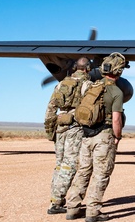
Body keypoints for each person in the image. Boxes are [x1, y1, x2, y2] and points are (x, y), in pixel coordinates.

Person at [65, 53, 127, 222]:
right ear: (119, 71)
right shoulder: (116, 92)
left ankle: (72, 208)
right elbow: (116, 119)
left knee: (83, 171)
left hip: (87, 135)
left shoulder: (89, 87)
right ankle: (93, 212)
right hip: (104, 137)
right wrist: (117, 136)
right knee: (101, 174)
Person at [44, 57, 92, 214]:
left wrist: (50, 130)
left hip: (60, 126)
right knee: (70, 164)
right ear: (88, 69)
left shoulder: (61, 84)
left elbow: (51, 108)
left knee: (59, 164)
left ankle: (55, 198)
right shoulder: (87, 85)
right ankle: (56, 203)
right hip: (75, 128)